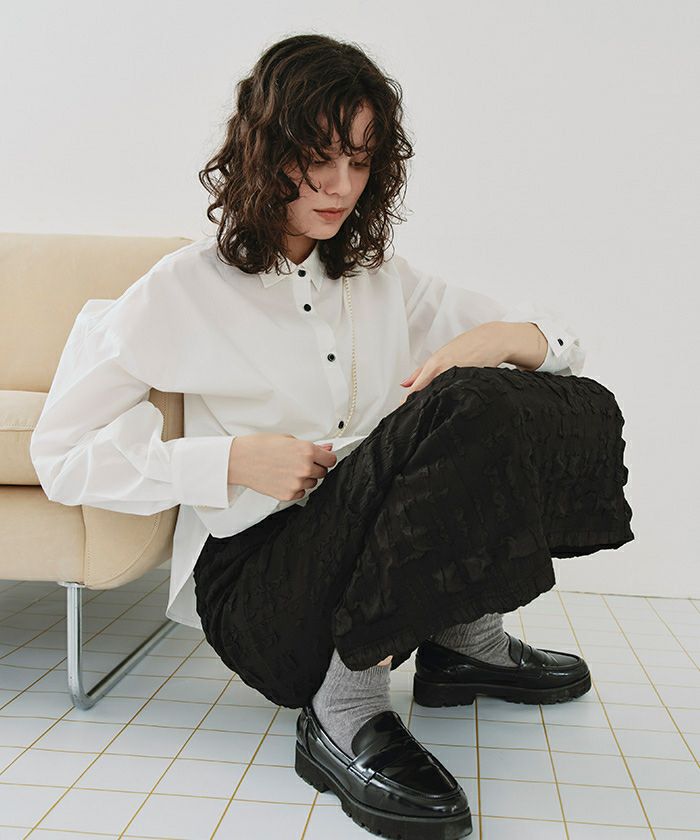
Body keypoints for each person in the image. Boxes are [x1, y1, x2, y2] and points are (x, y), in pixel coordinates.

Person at [31, 33, 634, 840]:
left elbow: (558, 349)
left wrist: (506, 336)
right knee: (465, 407)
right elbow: (60, 454)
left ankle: (461, 643)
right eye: (316, 159)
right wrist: (229, 461)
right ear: (262, 151)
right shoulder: (181, 288)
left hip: (365, 556)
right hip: (263, 593)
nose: (342, 186)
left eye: (360, 160)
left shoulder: (378, 279)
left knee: (558, 400)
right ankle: (343, 708)